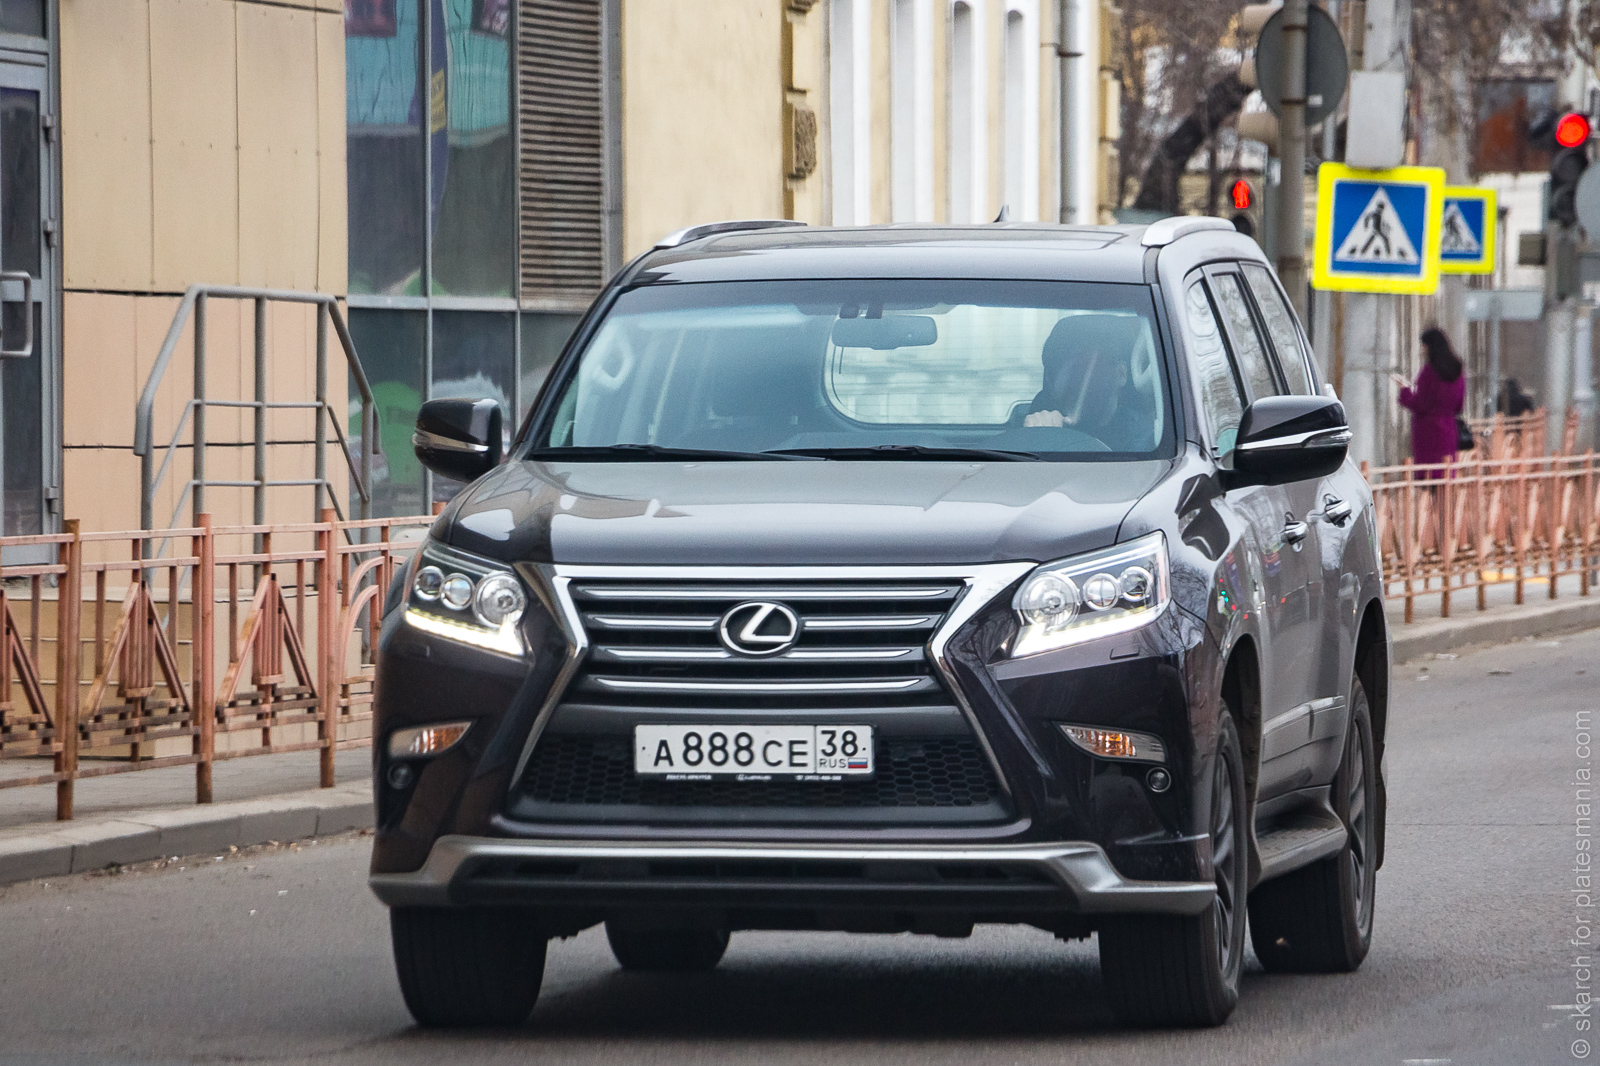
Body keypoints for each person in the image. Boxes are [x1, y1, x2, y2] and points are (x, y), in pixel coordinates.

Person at [1023, 315, 1150, 451]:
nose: (1067, 380)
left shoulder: (1146, 443)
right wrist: (1035, 439)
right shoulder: (1033, 430)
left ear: (1121, 374)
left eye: (1083, 369)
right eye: (1056, 369)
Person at [1391, 326, 1466, 469]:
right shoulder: (1457, 370)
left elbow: (1420, 404)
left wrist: (1405, 389)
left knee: (1428, 474)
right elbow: (1459, 404)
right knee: (1445, 474)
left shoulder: (1429, 372)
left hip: (1428, 431)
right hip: (1449, 429)